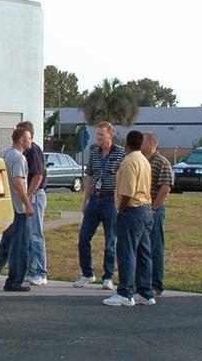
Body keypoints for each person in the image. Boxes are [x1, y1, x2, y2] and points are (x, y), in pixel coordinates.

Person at [104, 130, 156, 306]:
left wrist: (121, 209)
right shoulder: (144, 161)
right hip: (146, 209)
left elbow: (127, 191)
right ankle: (146, 291)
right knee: (144, 252)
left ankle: (125, 292)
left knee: (127, 252)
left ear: (127, 143)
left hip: (132, 210)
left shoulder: (128, 162)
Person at [73, 120, 126, 289]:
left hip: (110, 199)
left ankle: (108, 276)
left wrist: (120, 200)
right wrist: (86, 200)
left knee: (110, 239)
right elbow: (90, 177)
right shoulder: (94, 153)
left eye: (102, 134)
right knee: (83, 237)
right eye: (97, 134)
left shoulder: (120, 153)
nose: (99, 137)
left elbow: (124, 177)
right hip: (95, 198)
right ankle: (87, 273)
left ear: (110, 135)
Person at [0, 127, 32, 292]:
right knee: (20, 246)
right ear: (21, 140)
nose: (30, 141)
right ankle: (14, 281)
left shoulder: (4, 155)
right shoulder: (19, 158)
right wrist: (27, 204)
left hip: (6, 206)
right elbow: (19, 183)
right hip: (18, 208)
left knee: (6, 243)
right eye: (29, 138)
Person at [142, 132, 174, 298]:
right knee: (142, 247)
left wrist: (154, 208)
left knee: (155, 247)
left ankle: (156, 284)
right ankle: (142, 282)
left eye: (143, 141)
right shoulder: (141, 161)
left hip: (154, 210)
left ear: (151, 143)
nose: (140, 144)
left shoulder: (162, 162)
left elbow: (165, 187)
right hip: (140, 209)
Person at [18, 121, 49, 286]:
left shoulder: (33, 151)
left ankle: (41, 272)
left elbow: (38, 175)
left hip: (35, 195)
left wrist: (28, 196)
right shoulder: (24, 152)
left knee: (36, 234)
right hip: (30, 195)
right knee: (29, 235)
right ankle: (31, 270)